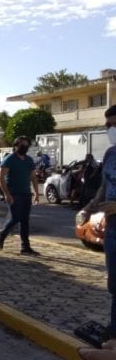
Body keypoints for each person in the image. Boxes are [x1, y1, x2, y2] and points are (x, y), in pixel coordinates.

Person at [81, 105, 116, 339]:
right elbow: (105, 186)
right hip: (113, 227)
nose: (108, 129)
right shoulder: (111, 154)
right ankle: (114, 329)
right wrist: (90, 207)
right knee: (114, 281)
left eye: (111, 124)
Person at [0, 135, 41, 255]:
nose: (24, 146)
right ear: (16, 146)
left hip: (26, 193)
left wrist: (36, 193)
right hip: (13, 193)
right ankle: (2, 233)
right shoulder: (10, 159)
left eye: (26, 145)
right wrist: (6, 194)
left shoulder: (29, 160)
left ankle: (25, 247)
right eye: (22, 144)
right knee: (15, 217)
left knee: (25, 220)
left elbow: (33, 177)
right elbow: (0, 176)